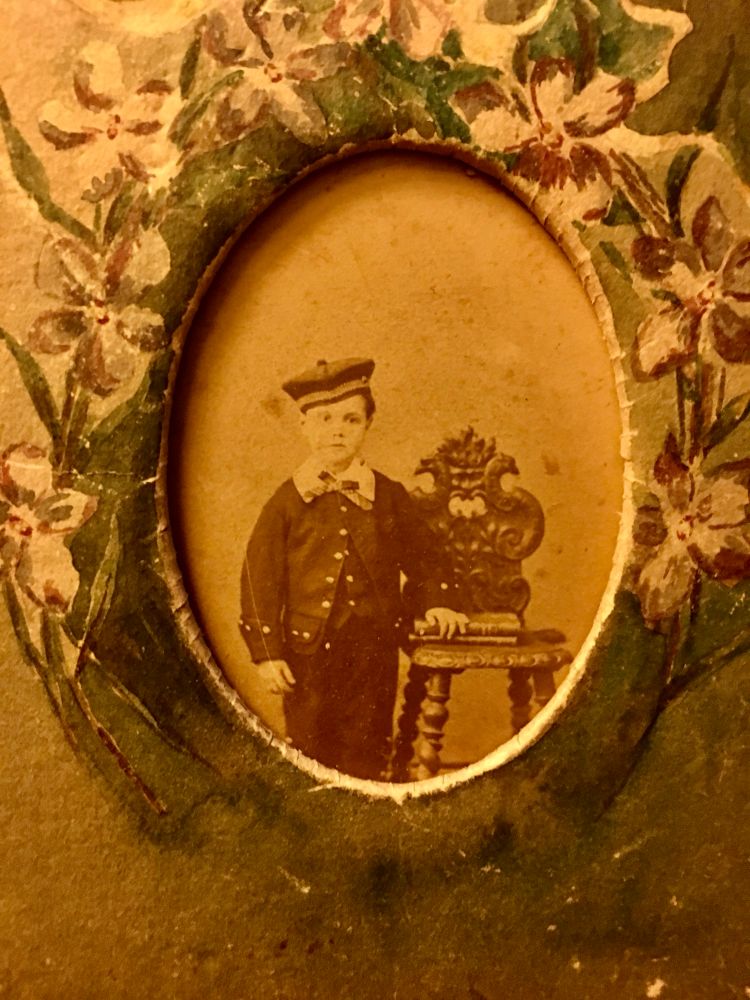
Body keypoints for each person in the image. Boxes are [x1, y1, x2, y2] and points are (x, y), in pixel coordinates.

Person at [239, 357, 467, 781]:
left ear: (368, 424)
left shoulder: (388, 496)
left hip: (372, 650)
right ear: (304, 426)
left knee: (367, 747)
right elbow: (259, 576)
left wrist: (437, 602)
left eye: (350, 419)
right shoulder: (287, 502)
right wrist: (267, 653)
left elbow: (426, 557)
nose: (337, 431)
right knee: (309, 748)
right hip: (306, 654)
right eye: (323, 420)